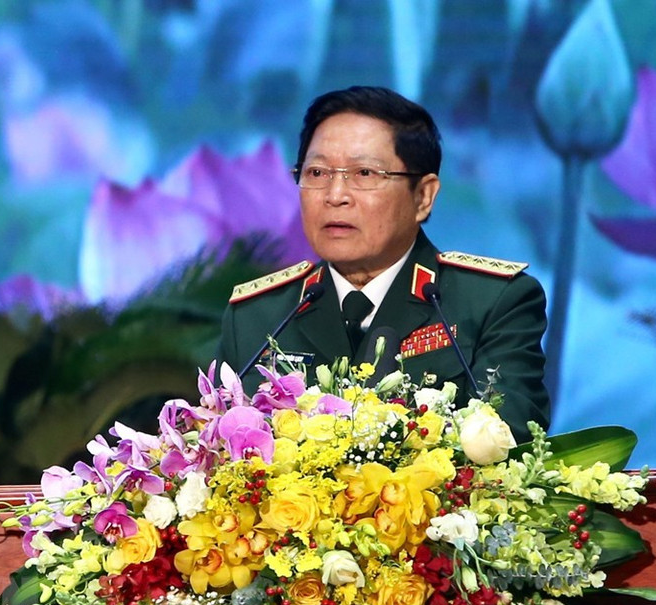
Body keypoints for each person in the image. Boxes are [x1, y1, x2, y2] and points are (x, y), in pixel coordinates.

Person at [216, 86, 550, 440]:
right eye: (316, 173)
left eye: (364, 174)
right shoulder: (257, 316)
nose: (335, 195)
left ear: (423, 196)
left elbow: (509, 439)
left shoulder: (492, 303)